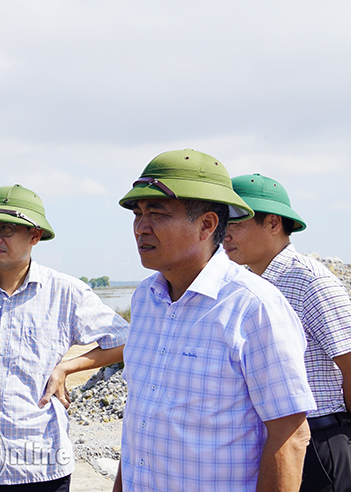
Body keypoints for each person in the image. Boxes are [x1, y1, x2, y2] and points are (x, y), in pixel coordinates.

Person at [115, 149, 316, 492]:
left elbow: (290, 434)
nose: (140, 228)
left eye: (157, 214)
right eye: (138, 214)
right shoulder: (145, 299)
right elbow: (141, 421)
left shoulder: (253, 306)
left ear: (207, 225)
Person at [0, 184, 130, 492]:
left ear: (35, 235)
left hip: (42, 466)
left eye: (5, 228)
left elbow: (125, 340)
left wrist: (66, 368)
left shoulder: (66, 292)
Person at [223, 173, 351, 492]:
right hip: (275, 441)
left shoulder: (310, 282)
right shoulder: (248, 285)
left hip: (320, 442)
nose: (224, 234)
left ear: (273, 223)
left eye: (236, 223)